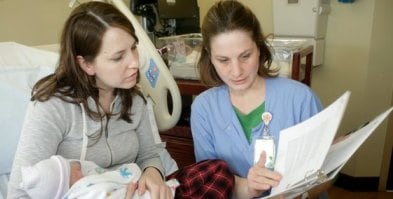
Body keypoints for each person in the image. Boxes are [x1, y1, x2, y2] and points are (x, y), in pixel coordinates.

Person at [8, 2, 234, 199]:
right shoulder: (53, 107)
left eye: (133, 48)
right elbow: (19, 193)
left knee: (217, 172)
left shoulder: (135, 100)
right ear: (86, 64)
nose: (134, 62)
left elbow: (149, 155)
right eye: (118, 57)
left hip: (135, 190)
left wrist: (153, 175)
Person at [191, 1, 329, 198]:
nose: (237, 71)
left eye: (245, 56)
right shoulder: (203, 109)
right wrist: (247, 186)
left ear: (259, 47)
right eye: (223, 60)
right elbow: (210, 181)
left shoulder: (300, 99)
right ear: (209, 56)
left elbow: (326, 174)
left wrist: (298, 194)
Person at [19, 155, 179, 199]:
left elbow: (149, 153)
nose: (77, 166)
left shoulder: (134, 99)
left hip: (157, 184)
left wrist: (152, 170)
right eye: (70, 169)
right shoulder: (85, 191)